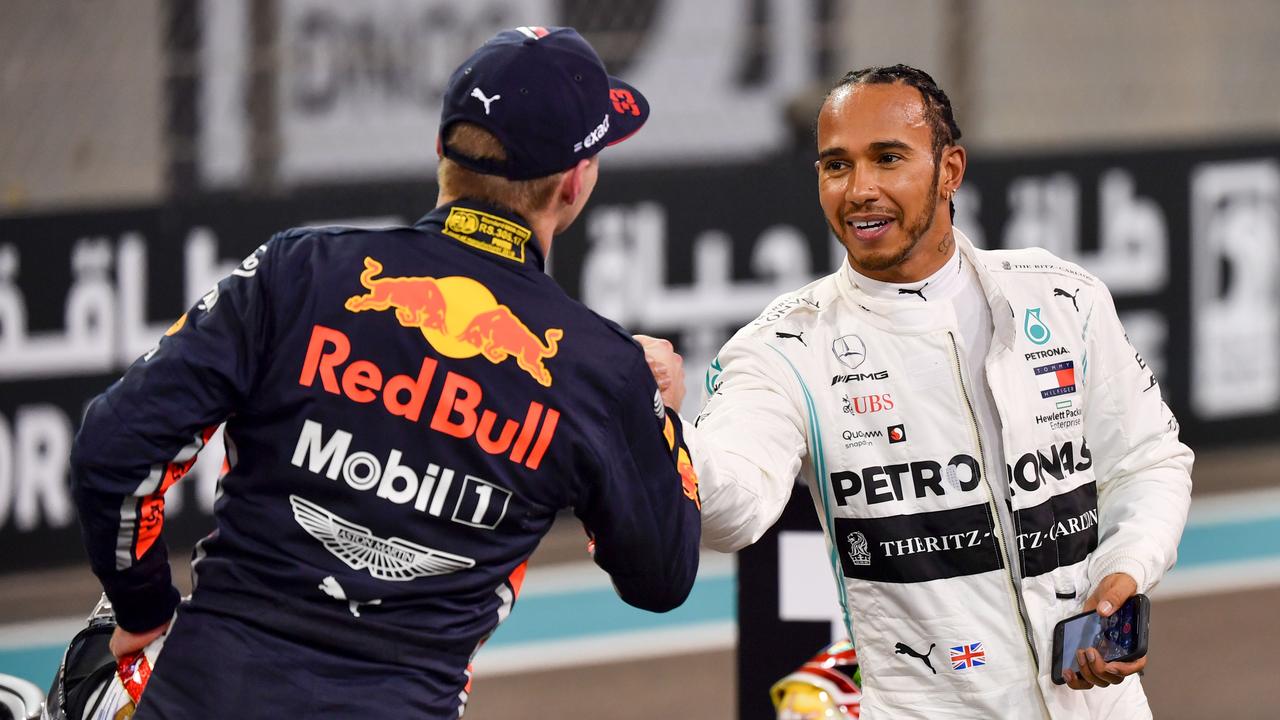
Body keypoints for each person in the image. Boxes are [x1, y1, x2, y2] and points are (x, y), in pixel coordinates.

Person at [70, 25, 702, 719]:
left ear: (441, 151)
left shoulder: (300, 270)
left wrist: (142, 607)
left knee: (92, 664)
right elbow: (662, 576)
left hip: (206, 692)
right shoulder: (599, 370)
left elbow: (113, 450)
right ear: (575, 183)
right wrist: (658, 418)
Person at [638, 65, 1192, 718]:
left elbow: (1149, 460)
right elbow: (736, 504)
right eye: (836, 166)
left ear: (950, 170)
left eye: (888, 158)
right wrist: (658, 424)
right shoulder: (783, 348)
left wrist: (1124, 573)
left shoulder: (1063, 297)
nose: (860, 189)